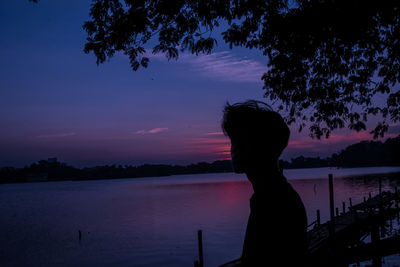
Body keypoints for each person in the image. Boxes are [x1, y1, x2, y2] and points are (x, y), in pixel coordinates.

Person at [222, 100, 308, 267]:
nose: (234, 149)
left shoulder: (273, 202)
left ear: (263, 145)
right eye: (233, 141)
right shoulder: (271, 195)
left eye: (242, 140)